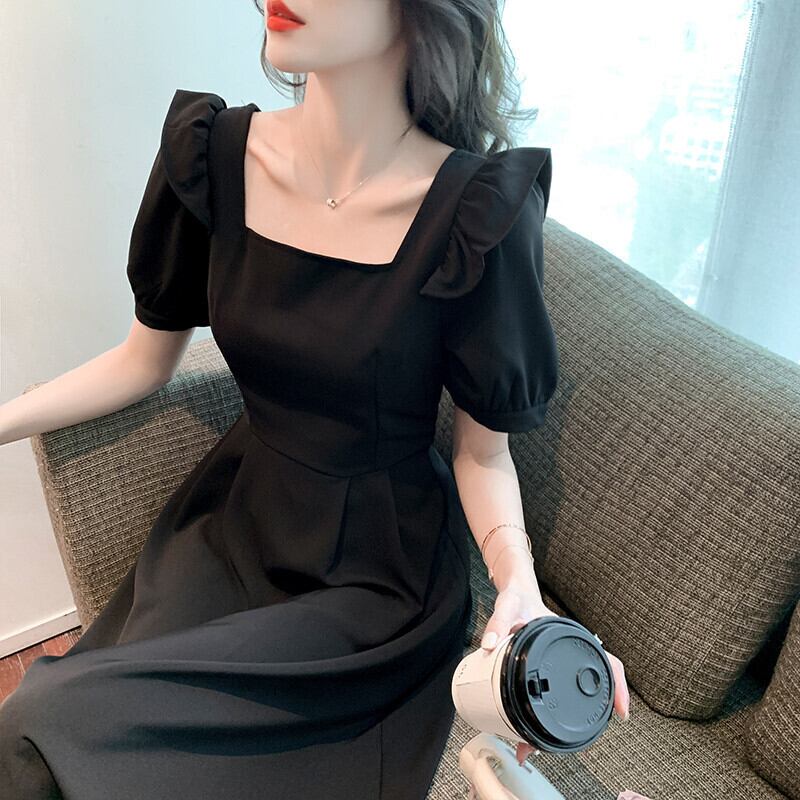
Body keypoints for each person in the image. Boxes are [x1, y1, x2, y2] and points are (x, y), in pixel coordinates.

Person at [0, 0, 631, 797]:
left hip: (374, 572)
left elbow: (482, 454)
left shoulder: (476, 215)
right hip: (233, 523)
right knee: (54, 738)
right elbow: (142, 362)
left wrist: (519, 586)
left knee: (46, 719)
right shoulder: (213, 153)